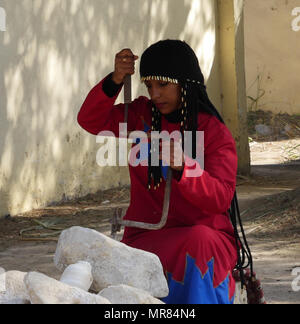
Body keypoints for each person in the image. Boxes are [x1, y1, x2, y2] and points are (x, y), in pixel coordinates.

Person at [77, 40, 252, 304]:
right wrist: (115, 80)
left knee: (199, 242)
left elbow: (221, 198)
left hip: (202, 233)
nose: (155, 94)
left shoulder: (214, 132)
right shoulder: (140, 117)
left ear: (186, 84)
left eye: (163, 84)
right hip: (145, 234)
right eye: (149, 86)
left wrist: (185, 167)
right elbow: (90, 120)